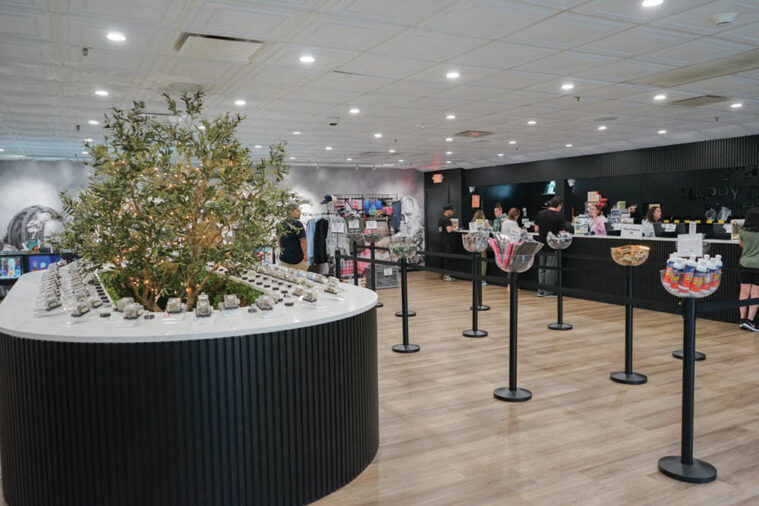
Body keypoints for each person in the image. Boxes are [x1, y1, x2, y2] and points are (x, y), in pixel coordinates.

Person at [535, 196, 566, 297]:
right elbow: (562, 233)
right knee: (550, 269)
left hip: (541, 244)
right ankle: (548, 292)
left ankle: (540, 290)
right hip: (552, 246)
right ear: (559, 205)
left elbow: (536, 229)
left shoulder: (540, 213)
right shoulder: (559, 216)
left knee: (542, 268)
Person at [739, 208, 759, 331]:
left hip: (745, 264)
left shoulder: (742, 231)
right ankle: (750, 321)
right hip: (758, 266)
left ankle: (742, 319)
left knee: (744, 292)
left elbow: (741, 244)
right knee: (755, 293)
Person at [277, 206, 308, 270]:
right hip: (297, 260)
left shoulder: (281, 223)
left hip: (283, 259)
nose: (300, 213)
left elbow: (278, 240)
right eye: (297, 211)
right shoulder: (298, 224)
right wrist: (305, 255)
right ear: (291, 212)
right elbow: (303, 241)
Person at [438, 204, 456, 281]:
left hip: (441, 240)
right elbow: (449, 230)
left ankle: (442, 274)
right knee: (447, 258)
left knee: (443, 257)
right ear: (447, 211)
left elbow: (440, 229)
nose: (453, 212)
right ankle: (446, 275)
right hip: (447, 241)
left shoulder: (441, 219)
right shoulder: (446, 220)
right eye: (451, 211)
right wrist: (454, 226)